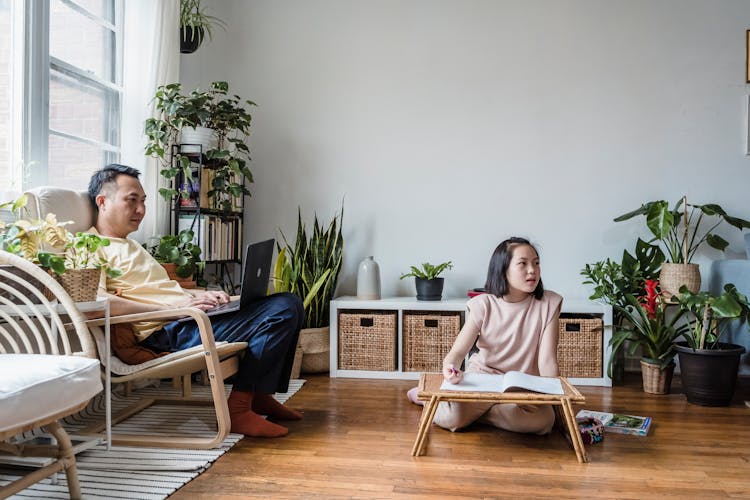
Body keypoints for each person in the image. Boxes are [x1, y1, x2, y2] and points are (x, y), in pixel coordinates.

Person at [88, 163, 304, 438]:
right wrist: (172, 309)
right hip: (164, 333)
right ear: (102, 202)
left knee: (291, 302)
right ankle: (238, 409)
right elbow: (99, 306)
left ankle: (259, 396)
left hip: (186, 317)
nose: (141, 210)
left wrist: (197, 295)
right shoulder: (89, 248)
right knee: (282, 309)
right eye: (132, 201)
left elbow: (157, 289)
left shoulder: (130, 244)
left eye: (143, 201)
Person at [407, 237, 562, 435]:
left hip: (522, 386)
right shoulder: (483, 304)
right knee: (453, 419)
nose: (532, 270)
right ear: (502, 270)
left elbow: (548, 361)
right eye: (523, 264)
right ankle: (426, 398)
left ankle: (478, 415)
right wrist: (450, 368)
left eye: (536, 263)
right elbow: (457, 352)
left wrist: (559, 401)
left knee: (544, 421)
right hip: (483, 380)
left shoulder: (549, 303)